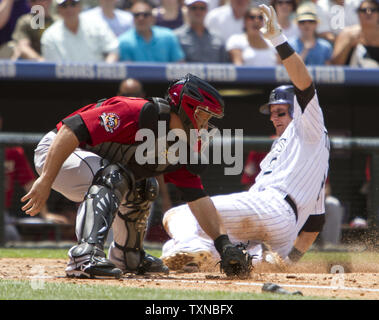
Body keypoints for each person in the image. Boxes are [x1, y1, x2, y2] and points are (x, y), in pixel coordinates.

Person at [21, 72, 250, 279]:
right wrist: (46, 179)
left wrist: (224, 244)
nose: (206, 125)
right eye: (204, 116)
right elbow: (71, 129)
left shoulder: (183, 145)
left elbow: (198, 198)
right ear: (188, 108)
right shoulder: (136, 111)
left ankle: (127, 255)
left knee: (145, 186)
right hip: (57, 151)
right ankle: (84, 255)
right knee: (113, 175)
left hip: (90, 163)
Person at [160, 4, 330, 272]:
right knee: (214, 246)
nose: (275, 118)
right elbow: (315, 223)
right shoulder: (305, 153)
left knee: (178, 215)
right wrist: (289, 260)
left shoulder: (309, 127)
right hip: (279, 228)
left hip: (272, 206)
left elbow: (304, 85)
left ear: (297, 110)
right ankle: (241, 259)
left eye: (281, 112)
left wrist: (278, 40)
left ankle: (193, 249)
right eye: (272, 113)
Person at [0, 112, 71, 242]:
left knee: (12, 237)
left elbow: (29, 184)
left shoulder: (13, 152)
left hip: (3, 214)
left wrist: (45, 214)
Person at [41, 0, 119, 63]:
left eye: (73, 4)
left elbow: (113, 50)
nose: (69, 9)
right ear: (58, 9)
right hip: (64, 81)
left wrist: (106, 70)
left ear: (80, 6)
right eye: (64, 6)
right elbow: (53, 66)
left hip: (99, 80)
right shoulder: (50, 35)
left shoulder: (97, 25)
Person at [118, 0, 184, 62]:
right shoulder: (124, 41)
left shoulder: (168, 36)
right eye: (136, 15)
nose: (141, 18)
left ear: (153, 18)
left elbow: (179, 65)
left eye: (145, 15)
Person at [331, 0, 379, 67]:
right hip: (352, 76)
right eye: (363, 10)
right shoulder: (347, 34)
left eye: (373, 10)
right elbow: (335, 64)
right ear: (358, 13)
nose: (368, 13)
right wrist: (348, 44)